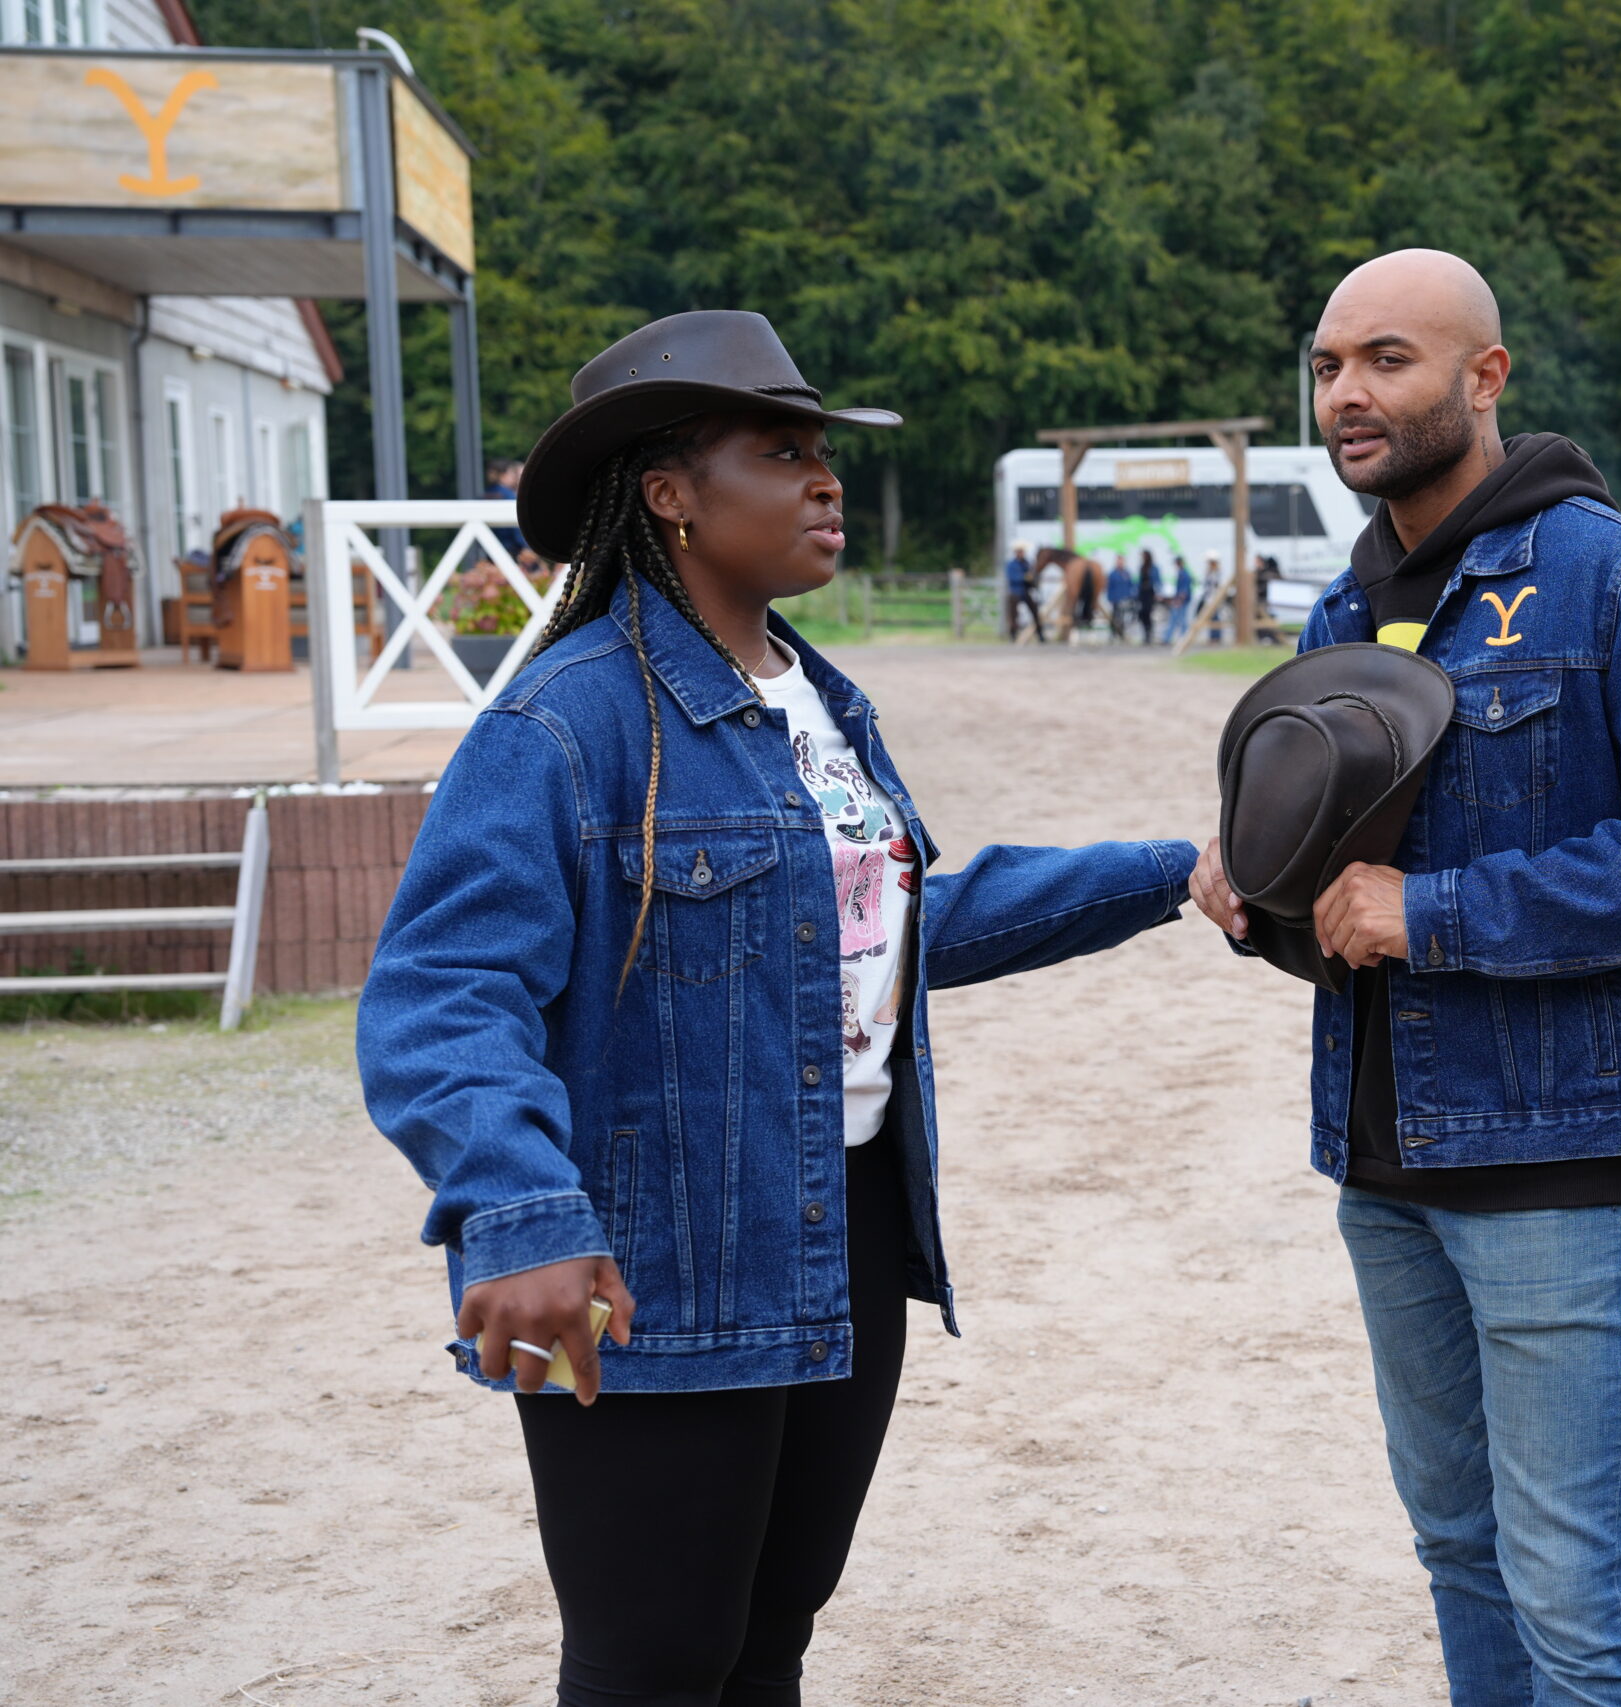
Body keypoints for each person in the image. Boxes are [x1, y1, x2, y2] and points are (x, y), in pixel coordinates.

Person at [358, 311, 1198, 1707]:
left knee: (769, 1639)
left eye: (823, 451)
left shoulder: (823, 702)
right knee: (655, 1662)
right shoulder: (565, 722)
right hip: (659, 1252)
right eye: (780, 452)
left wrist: (1178, 873)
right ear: (669, 493)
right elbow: (439, 993)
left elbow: (892, 929)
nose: (825, 479)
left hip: (845, 1225)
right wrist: (520, 1208)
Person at [1188, 250, 1621, 1707]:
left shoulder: (1611, 576)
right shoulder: (1343, 613)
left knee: (1572, 1590)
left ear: (1486, 376)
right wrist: (1256, 899)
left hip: (1563, 1159)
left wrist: (1438, 911)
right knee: (1460, 1549)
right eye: (1327, 366)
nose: (1346, 393)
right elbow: (1344, 914)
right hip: (1385, 1160)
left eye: (1386, 359)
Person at [484, 457, 542, 573]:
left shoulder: (487, 494)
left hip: (491, 549)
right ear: (504, 475)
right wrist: (525, 546)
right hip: (513, 550)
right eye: (511, 474)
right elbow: (517, 526)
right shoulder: (509, 496)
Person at [1004, 540, 1044, 642]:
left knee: (1034, 611)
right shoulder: (1011, 564)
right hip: (1015, 591)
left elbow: (1033, 576)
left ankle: (1040, 633)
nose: (1021, 553)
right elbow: (1013, 578)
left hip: (1025, 591)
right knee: (1013, 614)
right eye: (1019, 551)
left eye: (1022, 551)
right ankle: (1013, 634)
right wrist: (1025, 577)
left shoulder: (1027, 564)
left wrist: (1033, 580)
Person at [1135, 548, 1162, 645]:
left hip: (1150, 593)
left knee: (1148, 612)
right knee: (1142, 614)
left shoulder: (1154, 568)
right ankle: (1146, 633)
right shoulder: (1142, 567)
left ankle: (1149, 634)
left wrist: (1158, 593)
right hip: (1142, 593)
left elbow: (1157, 581)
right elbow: (1139, 581)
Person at [1105, 552, 1134, 641]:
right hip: (1115, 599)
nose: (1120, 563)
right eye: (1118, 561)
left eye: (1121, 561)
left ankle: (1122, 633)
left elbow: (1131, 585)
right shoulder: (1112, 574)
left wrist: (1131, 596)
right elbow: (1109, 587)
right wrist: (1110, 598)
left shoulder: (1127, 573)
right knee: (1115, 617)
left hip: (1125, 599)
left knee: (1124, 618)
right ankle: (1113, 634)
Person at [1168, 555, 1194, 644]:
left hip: (1181, 600)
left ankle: (1183, 638)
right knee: (1178, 619)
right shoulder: (1183, 572)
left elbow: (1184, 589)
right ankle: (1181, 638)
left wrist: (1179, 599)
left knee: (1180, 619)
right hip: (1181, 599)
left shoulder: (1183, 574)